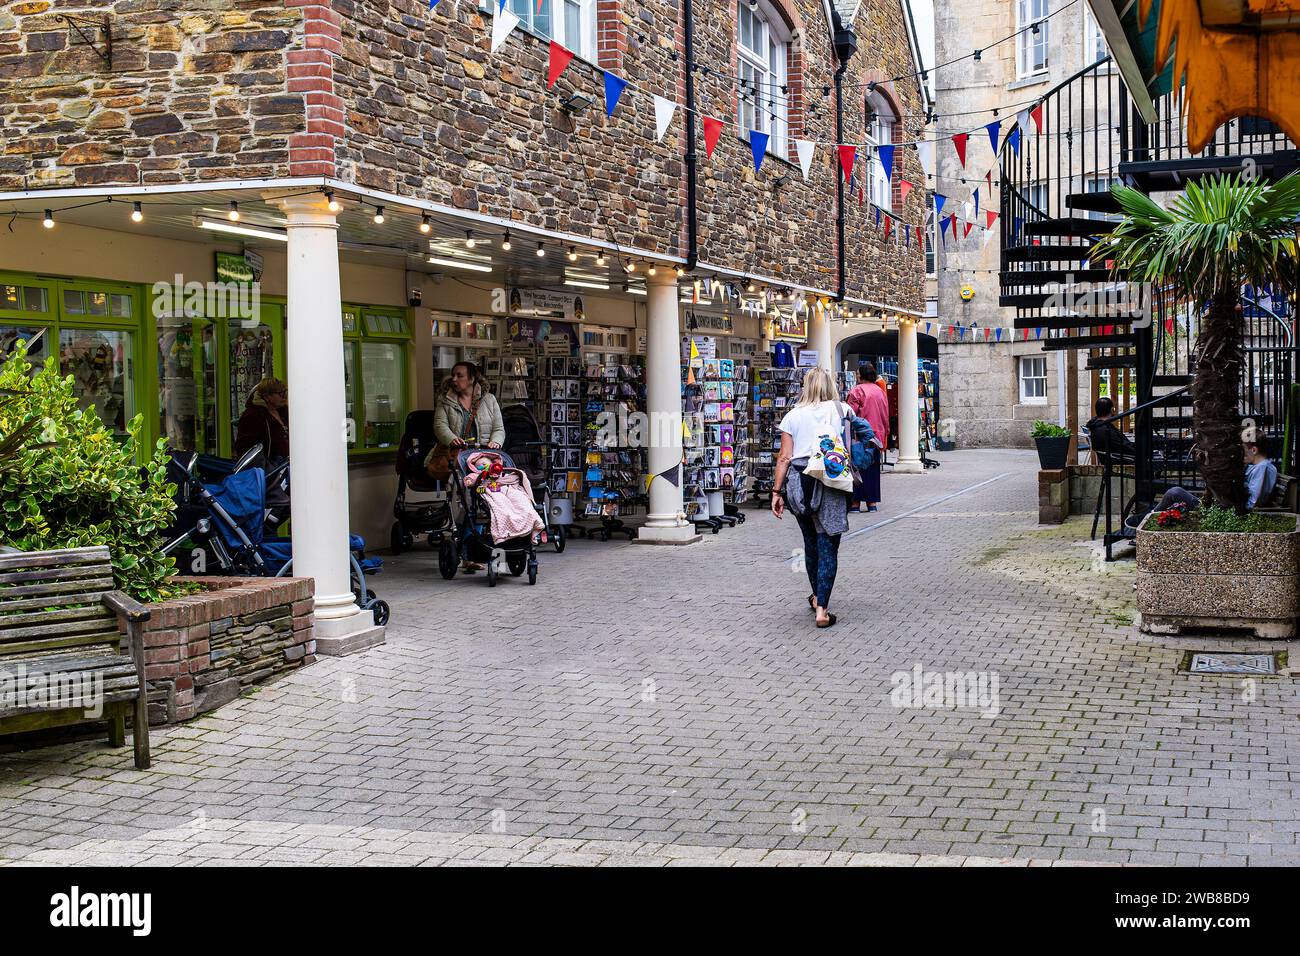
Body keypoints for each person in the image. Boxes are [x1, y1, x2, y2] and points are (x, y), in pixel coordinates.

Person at [771, 367, 872, 629]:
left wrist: (776, 492)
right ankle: (822, 610)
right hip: (832, 479)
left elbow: (784, 457)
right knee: (828, 545)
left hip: (799, 481)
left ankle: (817, 595)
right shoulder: (842, 410)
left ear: (806, 387)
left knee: (810, 543)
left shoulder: (792, 416)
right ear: (830, 385)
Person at [430, 361, 505, 572]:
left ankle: (495, 544)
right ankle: (465, 552)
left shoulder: (489, 400)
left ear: (472, 378)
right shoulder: (446, 401)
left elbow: (499, 428)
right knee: (465, 500)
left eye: (460, 376)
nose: (454, 379)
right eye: (453, 375)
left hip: (483, 457)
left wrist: (496, 442)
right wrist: (451, 438)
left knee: (493, 497)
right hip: (459, 457)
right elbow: (439, 425)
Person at [1156, 438, 1278, 513]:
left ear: (1254, 450)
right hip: (1221, 506)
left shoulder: (1263, 468)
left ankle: (1145, 519)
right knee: (1174, 495)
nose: (1241, 454)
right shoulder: (1258, 467)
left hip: (1225, 510)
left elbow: (1253, 503)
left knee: (1175, 493)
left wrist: (1225, 504)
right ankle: (1145, 518)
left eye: (1244, 450)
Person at [845, 362, 890, 512]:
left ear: (861, 375)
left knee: (856, 468)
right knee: (872, 469)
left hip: (859, 437)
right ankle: (872, 503)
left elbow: (850, 415)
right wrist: (885, 433)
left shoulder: (856, 391)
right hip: (877, 435)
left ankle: (855, 502)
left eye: (858, 374)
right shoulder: (880, 391)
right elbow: (885, 414)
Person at [234, 377, 290, 464]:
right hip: (267, 469)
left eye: (284, 392)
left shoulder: (283, 410)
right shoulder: (253, 415)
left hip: (285, 465)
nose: (284, 396)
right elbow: (245, 448)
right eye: (280, 393)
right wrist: (265, 466)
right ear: (267, 396)